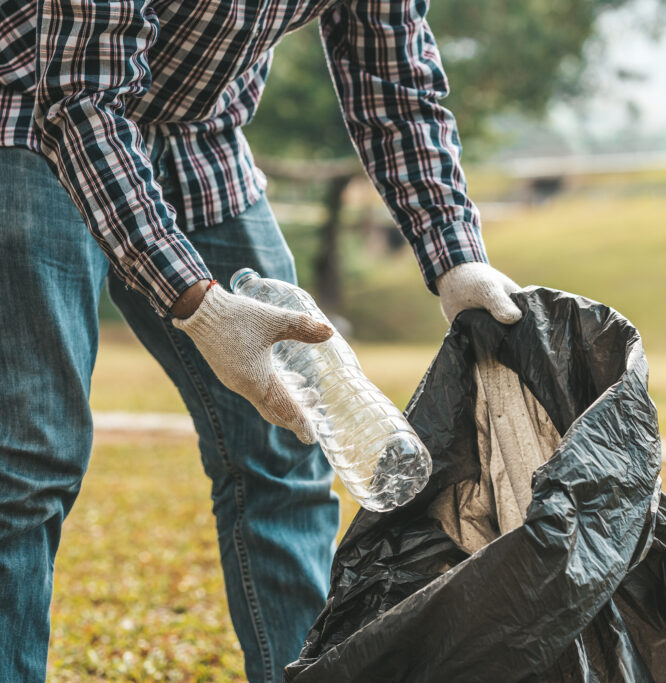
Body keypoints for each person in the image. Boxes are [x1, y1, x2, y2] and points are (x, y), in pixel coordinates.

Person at [0, 1, 521, 680]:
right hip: (39, 114)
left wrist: (455, 256)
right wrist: (201, 305)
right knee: (31, 454)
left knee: (291, 440)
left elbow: (394, 73)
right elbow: (80, 98)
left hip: (202, 135)